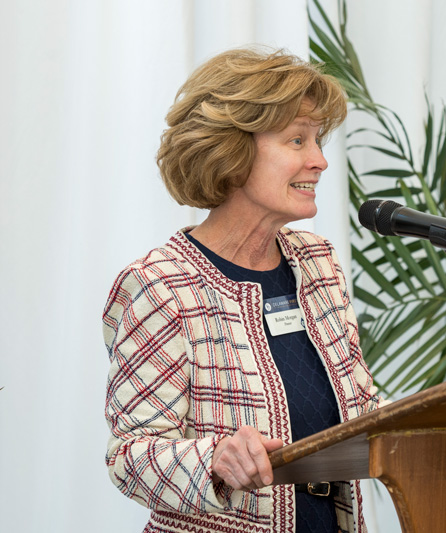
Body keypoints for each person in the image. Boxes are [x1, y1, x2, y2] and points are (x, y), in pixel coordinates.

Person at [102, 48, 381, 533]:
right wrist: (214, 457)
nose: (319, 162)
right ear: (231, 151)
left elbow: (362, 409)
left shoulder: (318, 264)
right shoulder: (161, 284)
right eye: (298, 140)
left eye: (318, 142)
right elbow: (131, 454)